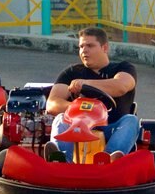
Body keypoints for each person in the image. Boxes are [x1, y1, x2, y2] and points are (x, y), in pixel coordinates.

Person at [44, 27, 138, 162]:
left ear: (105, 48)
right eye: (81, 46)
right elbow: (52, 103)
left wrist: (85, 84)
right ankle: (61, 159)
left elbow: (121, 87)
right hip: (77, 128)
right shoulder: (72, 72)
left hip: (111, 127)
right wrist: (80, 109)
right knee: (60, 118)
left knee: (131, 120)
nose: (84, 50)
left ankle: (108, 158)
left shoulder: (123, 68)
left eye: (90, 46)